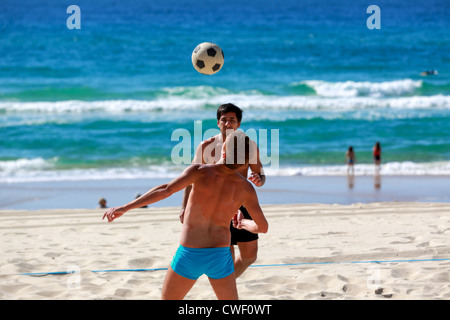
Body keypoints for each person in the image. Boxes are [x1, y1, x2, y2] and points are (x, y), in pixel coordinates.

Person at [102, 131, 268, 300]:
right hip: (220, 255)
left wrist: (125, 208)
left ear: (222, 151)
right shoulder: (246, 188)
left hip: (190, 254)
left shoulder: (200, 171)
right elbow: (263, 227)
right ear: (246, 161)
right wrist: (243, 224)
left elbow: (165, 191)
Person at [180, 103, 266, 278]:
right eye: (224, 120)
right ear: (218, 123)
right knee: (227, 255)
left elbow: (260, 172)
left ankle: (226, 282)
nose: (228, 124)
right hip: (217, 205)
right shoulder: (206, 146)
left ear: (239, 124)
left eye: (232, 120)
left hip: (242, 202)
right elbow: (191, 179)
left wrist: (259, 179)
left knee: (250, 256)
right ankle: (226, 288)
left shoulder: (248, 145)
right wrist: (184, 207)